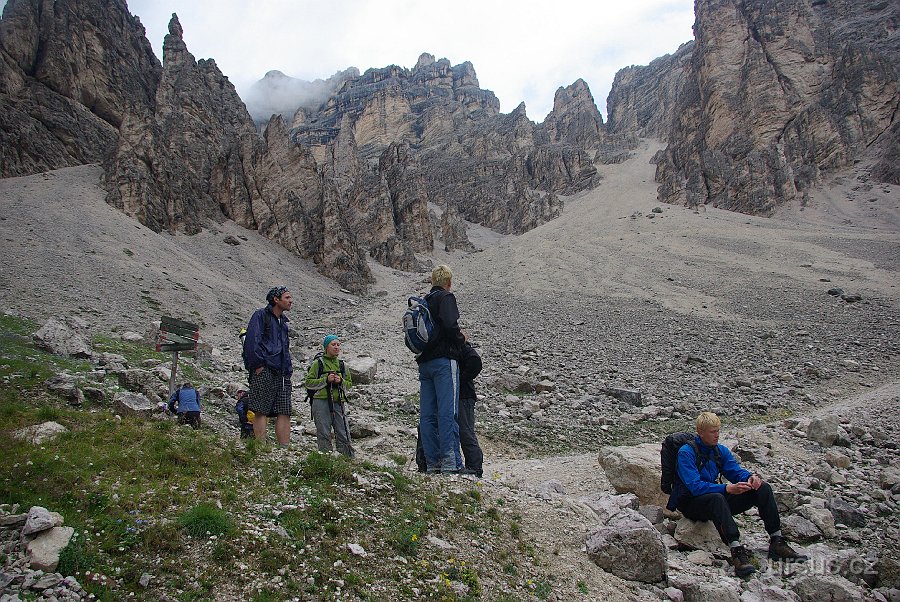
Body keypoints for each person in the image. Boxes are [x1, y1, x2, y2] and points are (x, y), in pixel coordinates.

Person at [669, 411, 808, 577]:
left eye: (718, 431)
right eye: (713, 432)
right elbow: (695, 487)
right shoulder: (686, 452)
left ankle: (777, 541)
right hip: (691, 503)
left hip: (714, 498)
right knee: (717, 498)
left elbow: (734, 471)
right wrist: (727, 488)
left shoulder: (719, 450)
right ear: (700, 432)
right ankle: (736, 551)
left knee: (763, 488)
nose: (717, 435)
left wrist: (750, 478)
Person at [416, 264, 467, 473]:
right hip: (444, 361)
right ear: (449, 282)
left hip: (425, 363)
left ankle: (432, 462)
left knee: (428, 414)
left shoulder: (425, 301)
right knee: (447, 412)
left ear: (432, 281)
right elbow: (449, 325)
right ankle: (451, 462)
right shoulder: (446, 297)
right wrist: (461, 340)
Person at [416, 341, 483, 476]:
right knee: (444, 426)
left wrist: (459, 379)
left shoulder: (458, 347)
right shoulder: (449, 347)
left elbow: (475, 363)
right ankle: (433, 463)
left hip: (463, 396)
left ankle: (474, 468)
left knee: (464, 430)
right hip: (451, 394)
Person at [243, 286, 294, 446]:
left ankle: (284, 448)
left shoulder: (283, 324)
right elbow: (252, 340)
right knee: (260, 409)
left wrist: (288, 370)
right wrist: (258, 365)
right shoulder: (261, 316)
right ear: (276, 300)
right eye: (287, 298)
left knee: (284, 410)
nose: (290, 301)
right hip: (265, 368)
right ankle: (260, 445)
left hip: (282, 372)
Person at [306, 335, 354, 457]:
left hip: (338, 401)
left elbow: (349, 384)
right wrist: (325, 380)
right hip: (320, 401)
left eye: (338, 345)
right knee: (323, 431)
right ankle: (325, 457)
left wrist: (340, 381)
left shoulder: (343, 365)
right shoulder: (318, 364)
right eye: (333, 345)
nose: (336, 347)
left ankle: (347, 458)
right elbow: (308, 383)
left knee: (343, 430)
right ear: (326, 347)